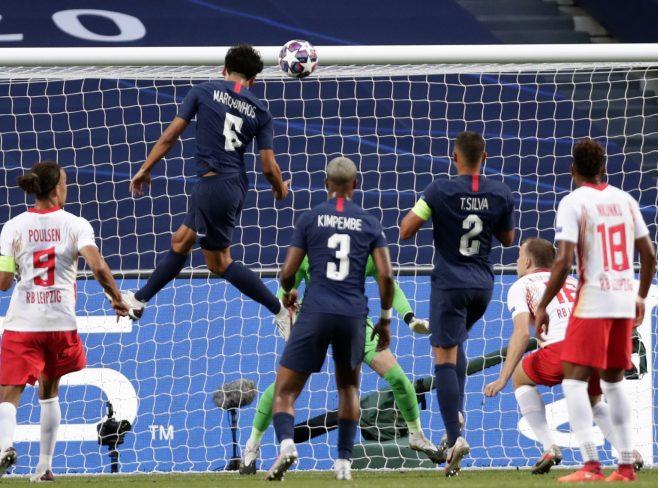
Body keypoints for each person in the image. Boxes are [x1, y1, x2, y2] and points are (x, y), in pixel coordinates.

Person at [122, 44, 292, 336]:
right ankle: (139, 299)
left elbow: (170, 135)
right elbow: (268, 164)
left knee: (220, 263)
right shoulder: (261, 111)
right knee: (181, 241)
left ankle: (281, 311)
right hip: (232, 185)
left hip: (213, 186)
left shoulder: (203, 91)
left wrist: (145, 168)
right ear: (253, 80)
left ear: (224, 70)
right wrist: (279, 190)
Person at [240, 255, 436, 475]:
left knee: (397, 378)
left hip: (354, 323)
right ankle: (252, 446)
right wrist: (286, 315)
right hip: (314, 322)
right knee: (283, 386)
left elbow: (390, 286)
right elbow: (285, 290)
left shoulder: (365, 248)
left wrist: (409, 318)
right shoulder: (310, 250)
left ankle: (416, 435)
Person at [265, 157, 394, 482]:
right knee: (349, 388)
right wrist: (384, 319)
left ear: (326, 183)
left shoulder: (310, 219)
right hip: (352, 314)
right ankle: (344, 464)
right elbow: (386, 276)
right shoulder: (369, 222)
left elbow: (288, 272)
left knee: (285, 392)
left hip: (316, 312)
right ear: (356, 184)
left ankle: (286, 445)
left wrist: (289, 292)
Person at [534, 139, 656, 482]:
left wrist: (543, 305)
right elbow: (649, 256)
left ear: (573, 170)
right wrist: (641, 298)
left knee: (573, 380)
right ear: (604, 168)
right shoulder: (625, 200)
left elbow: (563, 260)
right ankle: (626, 466)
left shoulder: (573, 202)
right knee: (612, 384)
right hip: (622, 300)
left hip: (593, 301)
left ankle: (590, 465)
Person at [0, 161, 129, 481]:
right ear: (57, 188)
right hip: (61, 324)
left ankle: (3, 447)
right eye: (66, 183)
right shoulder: (76, 224)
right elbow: (97, 266)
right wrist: (115, 296)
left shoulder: (13, 226)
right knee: (50, 391)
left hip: (24, 324)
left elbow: (3, 282)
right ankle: (44, 467)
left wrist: (16, 267)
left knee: (8, 393)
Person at [399, 131, 515, 477]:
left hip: (450, 284)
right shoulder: (500, 193)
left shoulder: (438, 191)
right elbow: (508, 238)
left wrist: (433, 215)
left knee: (443, 357)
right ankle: (458, 413)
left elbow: (406, 229)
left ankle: (454, 435)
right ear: (486, 157)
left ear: (454, 157)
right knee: (456, 343)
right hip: (483, 287)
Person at [484, 237, 643, 474]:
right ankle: (627, 451)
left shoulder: (522, 284)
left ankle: (550, 447)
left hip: (562, 351)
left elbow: (520, 333)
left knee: (520, 377)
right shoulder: (571, 281)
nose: (516, 262)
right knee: (593, 401)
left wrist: (503, 378)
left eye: (518, 258)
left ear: (527, 262)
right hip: (597, 349)